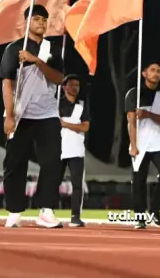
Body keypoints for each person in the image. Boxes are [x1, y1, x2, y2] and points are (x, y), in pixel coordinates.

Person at [0, 4, 65, 229]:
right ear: (26, 22)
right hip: (20, 113)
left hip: (48, 114)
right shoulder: (13, 49)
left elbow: (59, 79)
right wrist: (9, 116)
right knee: (15, 163)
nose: (41, 23)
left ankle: (46, 210)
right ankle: (14, 211)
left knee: (52, 162)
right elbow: (7, 83)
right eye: (36, 19)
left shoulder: (52, 49)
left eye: (44, 20)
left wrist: (36, 60)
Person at [126, 61, 160, 229]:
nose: (156, 73)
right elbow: (131, 122)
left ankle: (154, 210)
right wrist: (133, 145)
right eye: (153, 70)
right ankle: (140, 217)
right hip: (140, 142)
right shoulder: (134, 94)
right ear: (144, 74)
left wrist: (148, 114)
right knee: (138, 181)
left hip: (159, 141)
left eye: (159, 71)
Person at [59, 74, 90, 228]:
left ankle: (75, 216)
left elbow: (85, 127)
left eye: (77, 85)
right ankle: (47, 211)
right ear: (64, 87)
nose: (75, 87)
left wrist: (66, 124)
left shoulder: (82, 105)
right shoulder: (56, 104)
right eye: (71, 84)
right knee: (53, 182)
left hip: (76, 149)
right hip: (58, 149)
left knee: (77, 184)